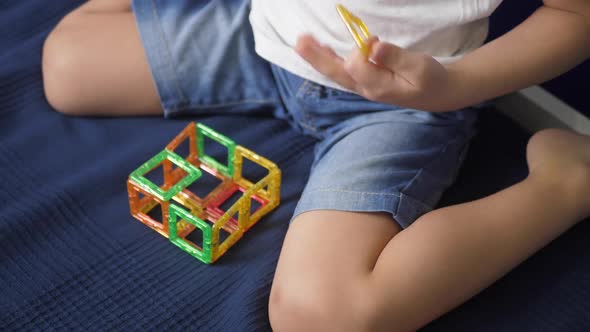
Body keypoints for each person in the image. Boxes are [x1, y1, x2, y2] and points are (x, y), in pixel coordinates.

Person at [42, 0, 590, 330]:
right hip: (264, 42)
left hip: (402, 101)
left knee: (322, 316)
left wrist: (454, 88)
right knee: (65, 66)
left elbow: (574, 17)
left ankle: (562, 184)